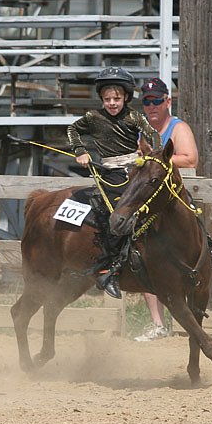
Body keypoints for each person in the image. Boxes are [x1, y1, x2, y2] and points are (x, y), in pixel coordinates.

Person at [134, 77, 212, 341]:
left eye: (155, 101)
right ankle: (157, 322)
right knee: (140, 249)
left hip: (177, 200)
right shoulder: (142, 131)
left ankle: (207, 251)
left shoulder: (177, 128)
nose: (151, 106)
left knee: (192, 239)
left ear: (167, 101)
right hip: (152, 201)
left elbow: (190, 158)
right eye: (146, 102)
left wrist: (156, 161)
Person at [66, 66, 160, 300]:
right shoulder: (93, 118)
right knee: (116, 216)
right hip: (109, 173)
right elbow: (72, 130)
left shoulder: (135, 117)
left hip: (133, 171)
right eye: (107, 99)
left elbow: (154, 135)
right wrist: (80, 151)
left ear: (126, 97)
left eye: (117, 98)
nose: (112, 103)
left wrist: (149, 154)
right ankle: (110, 269)